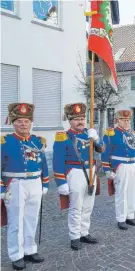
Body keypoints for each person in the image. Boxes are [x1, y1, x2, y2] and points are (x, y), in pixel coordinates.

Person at [1, 103, 49, 270]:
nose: (23, 124)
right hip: (15, 184)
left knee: (31, 218)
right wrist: (1, 189)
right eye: (19, 121)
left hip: (35, 182)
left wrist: (46, 182)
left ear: (31, 123)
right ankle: (16, 254)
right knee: (16, 221)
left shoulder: (37, 141)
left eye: (26, 121)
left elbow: (43, 163)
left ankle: (30, 250)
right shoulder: (4, 142)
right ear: (13, 122)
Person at [53, 103, 105, 250]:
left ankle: (84, 232)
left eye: (82, 118)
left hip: (91, 171)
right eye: (76, 119)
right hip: (74, 172)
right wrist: (61, 182)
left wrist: (96, 139)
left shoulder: (88, 133)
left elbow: (101, 149)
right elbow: (57, 161)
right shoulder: (63, 136)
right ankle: (75, 236)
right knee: (76, 206)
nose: (80, 121)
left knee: (88, 205)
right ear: (69, 120)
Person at [102, 109, 135, 230]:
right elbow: (105, 152)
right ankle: (121, 219)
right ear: (117, 121)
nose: (126, 123)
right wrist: (107, 168)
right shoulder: (111, 134)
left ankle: (130, 216)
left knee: (131, 191)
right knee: (121, 192)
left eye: (128, 120)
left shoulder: (131, 133)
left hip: (132, 165)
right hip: (120, 165)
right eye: (123, 120)